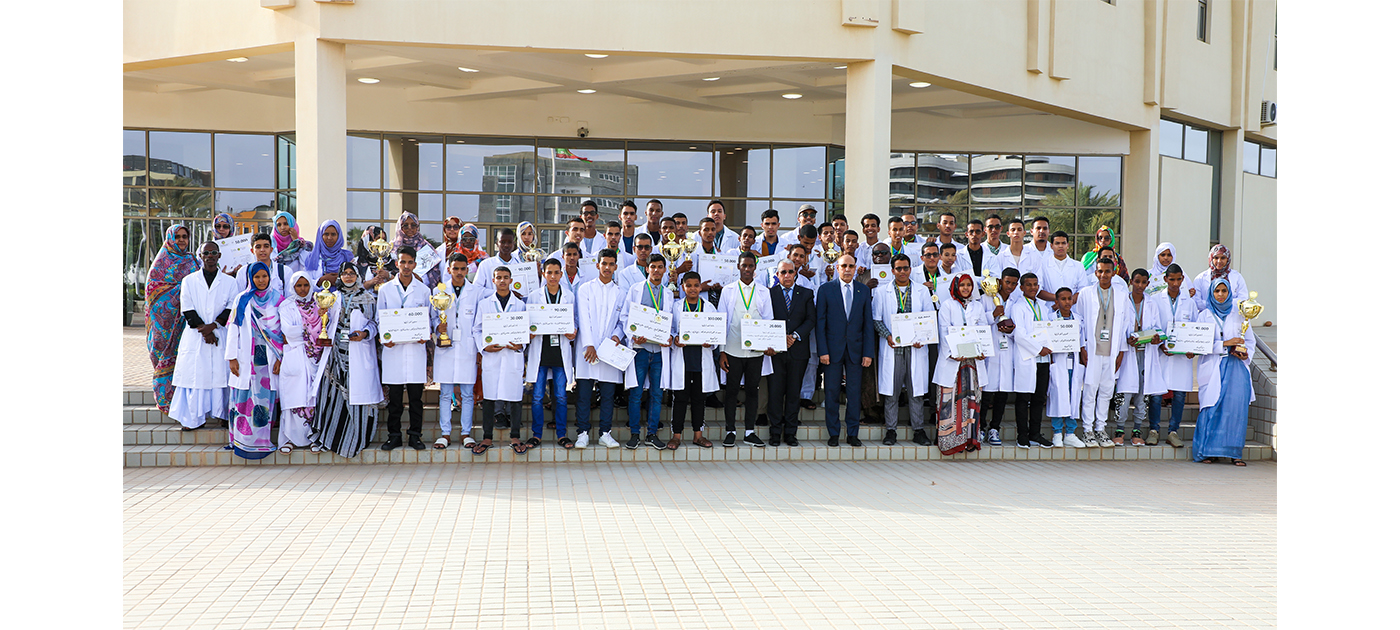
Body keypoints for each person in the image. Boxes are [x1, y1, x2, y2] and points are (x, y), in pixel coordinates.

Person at [312, 262, 383, 458]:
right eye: (345, 273)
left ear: (358, 276)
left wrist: (365, 333)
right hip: (336, 355)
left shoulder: (368, 298)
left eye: (352, 273)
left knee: (358, 397)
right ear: (340, 277)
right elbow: (324, 325)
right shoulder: (333, 297)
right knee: (333, 396)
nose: (348, 277)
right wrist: (322, 316)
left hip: (359, 352)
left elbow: (375, 323)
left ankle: (356, 438)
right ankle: (329, 438)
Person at [169, 241, 239, 430]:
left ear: (219, 255)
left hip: (220, 333)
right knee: (196, 376)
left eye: (213, 252)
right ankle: (193, 419)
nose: (210, 256)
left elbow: (231, 307)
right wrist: (205, 330)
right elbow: (187, 308)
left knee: (221, 376)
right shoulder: (189, 281)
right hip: (196, 335)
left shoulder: (230, 282)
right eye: (206, 253)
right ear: (200, 256)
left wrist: (213, 326)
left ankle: (224, 415)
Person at [872, 254, 936, 446]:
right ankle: (891, 430)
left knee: (916, 392)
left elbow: (928, 318)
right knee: (892, 393)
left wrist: (922, 338)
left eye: (905, 268)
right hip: (893, 347)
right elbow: (876, 319)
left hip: (915, 348)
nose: (902, 271)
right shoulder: (882, 292)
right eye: (898, 268)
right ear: (892, 270)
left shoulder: (921, 291)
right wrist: (888, 336)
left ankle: (918, 430)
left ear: (910, 269)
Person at [1192, 278, 1257, 466]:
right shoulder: (1204, 316)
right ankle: (1207, 452)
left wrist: (1245, 353)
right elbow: (1199, 343)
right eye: (1216, 291)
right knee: (1211, 407)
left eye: (1224, 291)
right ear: (1211, 293)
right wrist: (1225, 344)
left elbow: (1250, 341)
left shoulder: (1239, 314)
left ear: (1230, 293)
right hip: (1213, 366)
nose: (1220, 295)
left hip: (1236, 367)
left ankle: (1234, 453)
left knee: (1235, 409)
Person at [224, 261, 284, 459]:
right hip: (245, 357)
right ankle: (239, 441)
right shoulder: (242, 299)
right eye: (256, 277)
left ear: (269, 276)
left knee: (264, 401)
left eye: (264, 276)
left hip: (268, 359)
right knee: (243, 398)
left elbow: (282, 332)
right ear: (250, 278)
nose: (261, 280)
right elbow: (233, 329)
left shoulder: (278, 299)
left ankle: (261, 442)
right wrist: (232, 357)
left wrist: (280, 357)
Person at [815, 254, 876, 447]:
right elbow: (820, 323)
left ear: (855, 268)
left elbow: (868, 324)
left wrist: (868, 353)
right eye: (844, 266)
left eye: (851, 266)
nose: (847, 269)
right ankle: (833, 433)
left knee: (854, 393)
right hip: (832, 350)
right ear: (837, 268)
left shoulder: (863, 290)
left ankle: (852, 433)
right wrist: (822, 351)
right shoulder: (826, 290)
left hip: (856, 350)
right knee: (831, 392)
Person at [716, 252, 775, 447]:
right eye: (744, 266)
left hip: (756, 351)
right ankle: (730, 430)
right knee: (731, 391)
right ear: (738, 267)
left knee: (752, 390)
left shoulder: (764, 291)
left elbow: (768, 319)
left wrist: (769, 344)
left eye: (751, 266)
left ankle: (749, 431)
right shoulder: (728, 290)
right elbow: (722, 320)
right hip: (733, 348)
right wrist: (722, 351)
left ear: (755, 268)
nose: (747, 269)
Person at [377, 246, 431, 451]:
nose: (406, 266)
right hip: (393, 351)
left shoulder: (424, 290)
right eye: (402, 262)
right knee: (395, 399)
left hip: (416, 351)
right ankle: (394, 435)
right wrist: (385, 337)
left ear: (415, 264)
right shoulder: (385, 290)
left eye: (410, 262)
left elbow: (429, 318)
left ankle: (415, 435)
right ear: (397, 263)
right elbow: (379, 318)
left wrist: (425, 333)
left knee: (416, 398)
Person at [471, 266, 530, 455]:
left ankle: (515, 436)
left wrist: (520, 345)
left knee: (515, 397)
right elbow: (476, 329)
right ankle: (487, 437)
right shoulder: (484, 304)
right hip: (492, 356)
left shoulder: (520, 305)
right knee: (489, 397)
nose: (502, 281)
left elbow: (525, 331)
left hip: (512, 356)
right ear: (493, 280)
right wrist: (484, 347)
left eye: (506, 277)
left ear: (511, 280)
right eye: (499, 277)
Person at [1075, 258, 1133, 448]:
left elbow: (1125, 324)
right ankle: (1088, 430)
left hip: (1112, 349)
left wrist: (1121, 351)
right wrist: (1082, 347)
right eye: (1100, 271)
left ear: (1114, 273)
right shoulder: (1086, 293)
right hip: (1092, 349)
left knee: (1107, 390)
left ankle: (1100, 428)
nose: (1103, 275)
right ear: (1095, 273)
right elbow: (1080, 321)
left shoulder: (1122, 295)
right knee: (1090, 389)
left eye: (1107, 271)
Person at [574, 248, 627, 449]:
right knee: (584, 394)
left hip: (609, 349)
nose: (607, 267)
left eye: (611, 264)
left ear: (616, 267)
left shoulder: (621, 292)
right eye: (604, 263)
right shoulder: (585, 289)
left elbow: (622, 321)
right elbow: (583, 317)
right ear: (597, 265)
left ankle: (605, 433)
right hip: (587, 349)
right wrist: (589, 344)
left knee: (607, 394)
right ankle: (582, 433)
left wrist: (617, 336)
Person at [621, 254, 674, 450]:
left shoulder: (668, 294)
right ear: (647, 269)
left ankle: (652, 434)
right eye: (653, 267)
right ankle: (635, 434)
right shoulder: (635, 290)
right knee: (636, 393)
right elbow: (625, 316)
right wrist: (632, 335)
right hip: (640, 349)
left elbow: (672, 321)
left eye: (660, 267)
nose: (656, 270)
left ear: (665, 270)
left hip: (659, 351)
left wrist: (671, 336)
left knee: (657, 394)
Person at [432, 253, 485, 450]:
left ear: (468, 270)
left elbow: (480, 320)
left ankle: (466, 433)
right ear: (449, 269)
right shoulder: (439, 291)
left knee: (468, 394)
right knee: (445, 393)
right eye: (456, 268)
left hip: (467, 347)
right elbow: (432, 316)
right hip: (446, 347)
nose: (460, 272)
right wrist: (438, 326)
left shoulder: (476, 292)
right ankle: (445, 433)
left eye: (463, 269)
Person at [275, 271, 331, 454]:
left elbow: (327, 328)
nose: (302, 289)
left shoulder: (319, 302)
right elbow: (289, 332)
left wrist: (316, 325)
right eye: (298, 286)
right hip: (295, 355)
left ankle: (314, 438)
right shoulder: (286, 305)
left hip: (316, 357)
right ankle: (289, 439)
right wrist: (314, 328)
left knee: (313, 399)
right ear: (293, 287)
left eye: (306, 285)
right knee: (294, 398)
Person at [146, 225, 198, 414]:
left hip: (186, 323)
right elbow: (153, 291)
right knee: (164, 358)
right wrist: (181, 288)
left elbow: (200, 285)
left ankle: (185, 405)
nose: (182, 240)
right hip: (164, 327)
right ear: (170, 238)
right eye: (178, 236)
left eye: (185, 236)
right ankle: (166, 400)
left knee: (186, 362)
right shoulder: (160, 264)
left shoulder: (192, 261)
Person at [527, 258, 579, 449]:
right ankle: (537, 435)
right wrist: (529, 332)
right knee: (537, 397)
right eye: (549, 272)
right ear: (543, 274)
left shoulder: (569, 296)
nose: (553, 276)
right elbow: (528, 322)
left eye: (556, 272)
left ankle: (562, 435)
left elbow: (575, 320)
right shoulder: (534, 296)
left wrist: (573, 331)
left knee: (561, 396)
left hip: (559, 352)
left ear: (561, 274)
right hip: (541, 352)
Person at [932, 273, 986, 455]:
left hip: (972, 362)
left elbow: (983, 331)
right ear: (955, 287)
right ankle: (949, 441)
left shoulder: (978, 306)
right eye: (962, 285)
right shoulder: (947, 305)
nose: (965, 288)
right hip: (953, 360)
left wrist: (983, 350)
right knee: (950, 401)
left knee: (971, 400)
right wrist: (952, 352)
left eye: (969, 285)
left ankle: (969, 439)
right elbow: (943, 331)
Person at [1113, 269, 1166, 446]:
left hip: (1146, 353)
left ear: (1148, 284)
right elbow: (1117, 327)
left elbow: (1157, 327)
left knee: (1143, 393)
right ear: (1131, 282)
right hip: (1127, 353)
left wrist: (1157, 338)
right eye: (1137, 281)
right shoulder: (1123, 301)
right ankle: (1119, 429)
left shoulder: (1151, 303)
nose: (1140, 285)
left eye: (1144, 282)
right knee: (1124, 392)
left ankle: (1137, 429)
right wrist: (1126, 340)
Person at [666, 272, 719, 449]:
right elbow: (670, 329)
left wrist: (711, 341)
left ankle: (698, 435)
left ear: (700, 287)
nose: (693, 289)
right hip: (683, 359)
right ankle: (676, 435)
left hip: (701, 361)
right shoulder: (676, 307)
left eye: (696, 285)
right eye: (688, 285)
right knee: (680, 398)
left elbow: (716, 331)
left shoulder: (709, 307)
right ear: (683, 287)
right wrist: (675, 338)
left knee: (699, 399)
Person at [1148, 264, 1199, 448]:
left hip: (1181, 358)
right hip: (1161, 355)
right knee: (1156, 395)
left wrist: (1192, 348)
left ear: (1183, 279)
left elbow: (1195, 328)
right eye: (1172, 279)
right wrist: (1161, 344)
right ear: (1165, 279)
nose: (1175, 283)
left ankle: (1173, 431)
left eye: (1178, 279)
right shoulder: (1155, 300)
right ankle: (1153, 430)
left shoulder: (1189, 303)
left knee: (1179, 395)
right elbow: (1152, 325)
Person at [767, 260, 816, 446]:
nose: (787, 275)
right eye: (783, 272)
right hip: (775, 352)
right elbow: (765, 319)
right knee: (775, 393)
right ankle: (774, 432)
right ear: (777, 275)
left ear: (796, 273)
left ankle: (790, 433)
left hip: (798, 351)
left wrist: (794, 336)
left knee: (794, 393)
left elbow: (811, 319)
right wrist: (779, 337)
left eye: (790, 272)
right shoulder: (769, 294)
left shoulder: (806, 294)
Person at [1006, 273, 1055, 449]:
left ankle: (1035, 433)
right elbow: (1019, 334)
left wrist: (1049, 347)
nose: (1033, 288)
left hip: (1043, 358)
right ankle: (1022, 435)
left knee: (1039, 398)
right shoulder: (1018, 307)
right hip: (1027, 357)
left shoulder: (1043, 306)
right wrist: (1038, 348)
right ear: (1021, 288)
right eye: (1029, 285)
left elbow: (1049, 329)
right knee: (1023, 397)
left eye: (1035, 284)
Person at [979, 268, 1021, 446]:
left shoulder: (1016, 301)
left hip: (1007, 349)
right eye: (1007, 282)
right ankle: (980, 427)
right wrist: (993, 315)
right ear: (1000, 281)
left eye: (1014, 283)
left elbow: (1020, 325)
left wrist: (1011, 329)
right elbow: (978, 321)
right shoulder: (986, 299)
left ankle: (994, 428)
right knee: (986, 393)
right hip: (990, 350)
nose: (1010, 286)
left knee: (1002, 393)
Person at [1045, 287, 1087, 448]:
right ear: (1056, 302)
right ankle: (1057, 433)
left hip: (1074, 362)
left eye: (1069, 298)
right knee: (1057, 396)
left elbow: (1082, 342)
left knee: (1073, 397)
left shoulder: (1078, 319)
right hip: (1058, 362)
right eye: (1063, 299)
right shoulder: (1050, 319)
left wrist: (1083, 358)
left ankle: (1070, 433)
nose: (1067, 302)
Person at [389, 212, 441, 290]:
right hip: (396, 288)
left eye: (413, 225)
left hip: (422, 289)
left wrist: (418, 279)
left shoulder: (425, 246)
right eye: (405, 225)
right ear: (400, 227)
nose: (410, 228)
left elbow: (435, 272)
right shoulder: (392, 247)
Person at [1193, 244, 1249, 313]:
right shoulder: (1200, 278)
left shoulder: (1237, 277)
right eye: (1216, 258)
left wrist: (1225, 304)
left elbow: (1243, 299)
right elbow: (1197, 301)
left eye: (1223, 258)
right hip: (1207, 315)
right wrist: (1215, 304)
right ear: (1211, 258)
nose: (1219, 261)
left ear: (1228, 259)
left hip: (1231, 314)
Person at [1038, 231, 1087, 305]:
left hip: (1072, 308)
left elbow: (1083, 290)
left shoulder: (1078, 266)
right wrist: (1059, 300)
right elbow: (1038, 289)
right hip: (1050, 307)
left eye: (1063, 243)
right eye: (1057, 243)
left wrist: (1067, 303)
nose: (1060, 246)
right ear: (1051, 246)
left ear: (1068, 245)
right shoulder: (1042, 265)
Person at [473, 227, 527, 293]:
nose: (506, 245)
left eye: (509, 242)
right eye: (503, 242)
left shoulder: (521, 264)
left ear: (514, 243)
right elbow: (476, 289)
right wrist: (499, 293)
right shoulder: (485, 265)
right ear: (497, 243)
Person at [304, 219, 357, 288]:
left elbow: (356, 281)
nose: (329, 238)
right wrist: (321, 280)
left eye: (333, 234)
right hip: (318, 294)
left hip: (342, 294)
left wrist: (341, 279)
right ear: (320, 236)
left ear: (339, 236)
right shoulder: (312, 258)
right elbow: (305, 282)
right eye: (326, 234)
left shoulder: (347, 256)